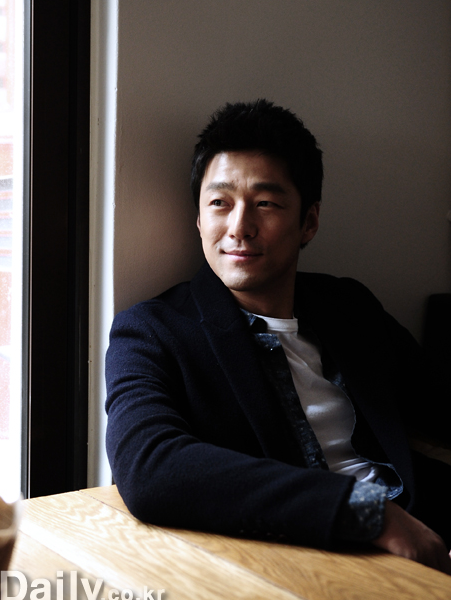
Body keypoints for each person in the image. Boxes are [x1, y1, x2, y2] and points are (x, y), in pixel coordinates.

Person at [105, 99, 451, 574]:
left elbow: (438, 402)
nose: (239, 228)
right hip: (307, 559)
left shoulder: (349, 306)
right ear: (199, 219)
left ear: (309, 221)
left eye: (265, 204)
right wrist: (368, 513)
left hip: (427, 538)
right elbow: (149, 468)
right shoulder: (151, 330)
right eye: (220, 203)